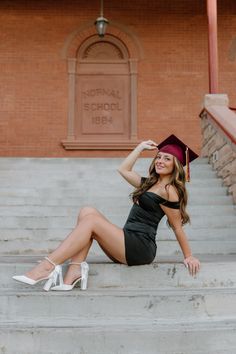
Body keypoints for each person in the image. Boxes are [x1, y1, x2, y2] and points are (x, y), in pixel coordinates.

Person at [13, 135, 201, 291]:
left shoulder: (170, 190)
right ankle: (74, 270)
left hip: (140, 248)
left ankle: (47, 266)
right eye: (158, 157)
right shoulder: (149, 183)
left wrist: (188, 256)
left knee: (92, 221)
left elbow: (177, 227)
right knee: (87, 211)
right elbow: (123, 169)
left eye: (167, 158)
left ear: (176, 165)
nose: (160, 161)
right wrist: (140, 147)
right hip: (127, 240)